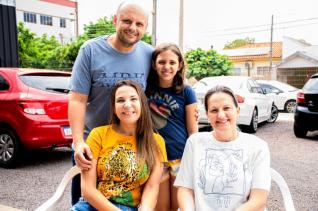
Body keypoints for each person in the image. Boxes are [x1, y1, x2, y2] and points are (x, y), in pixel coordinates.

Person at [68, 1, 153, 205]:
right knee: (84, 203)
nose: (133, 28)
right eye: (127, 21)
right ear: (115, 20)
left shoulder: (149, 54)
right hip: (92, 147)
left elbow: (166, 88)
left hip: (130, 150)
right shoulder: (90, 51)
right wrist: (78, 142)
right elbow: (77, 100)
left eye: (139, 24)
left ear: (145, 28)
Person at [70, 80, 167, 211]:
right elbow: (88, 190)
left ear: (142, 105)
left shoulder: (156, 142)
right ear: (114, 108)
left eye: (133, 99)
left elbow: (152, 188)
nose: (127, 105)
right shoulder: (98, 134)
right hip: (91, 206)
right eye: (120, 100)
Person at [174, 85, 271, 211]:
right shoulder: (195, 142)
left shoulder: (258, 146)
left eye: (226, 108)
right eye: (214, 110)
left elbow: (259, 200)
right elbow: (185, 189)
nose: (221, 115)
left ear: (238, 110)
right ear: (207, 116)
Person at [145, 43, 198, 211]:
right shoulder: (145, 89)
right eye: (161, 62)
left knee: (178, 207)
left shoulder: (186, 91)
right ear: (154, 64)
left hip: (179, 157)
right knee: (160, 207)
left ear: (180, 64)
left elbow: (192, 130)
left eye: (172, 62)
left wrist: (193, 159)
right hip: (154, 158)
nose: (166, 67)